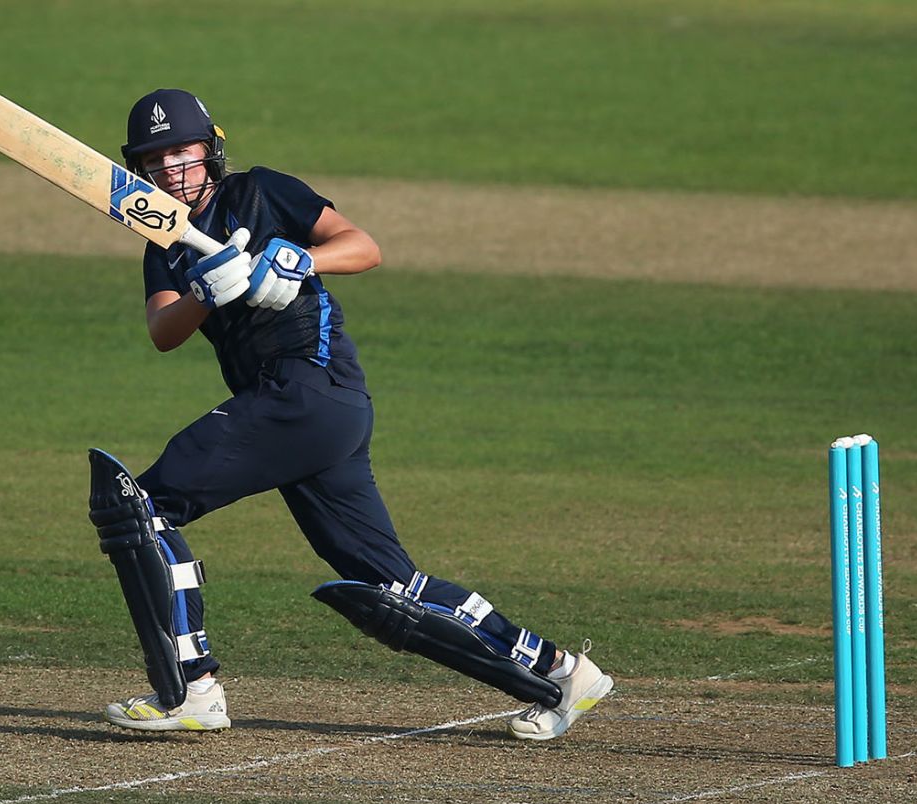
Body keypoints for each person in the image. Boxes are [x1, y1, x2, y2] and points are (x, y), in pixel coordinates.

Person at [88, 88, 612, 741]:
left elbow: (362, 246)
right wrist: (201, 290)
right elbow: (164, 328)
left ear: (211, 151)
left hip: (307, 390)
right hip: (306, 415)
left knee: (143, 507)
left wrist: (303, 257)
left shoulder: (262, 192)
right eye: (156, 158)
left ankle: (191, 687)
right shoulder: (163, 243)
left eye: (183, 152)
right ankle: (563, 671)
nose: (172, 168)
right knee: (393, 582)